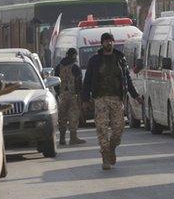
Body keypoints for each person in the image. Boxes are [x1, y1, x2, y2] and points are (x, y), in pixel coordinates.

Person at [81, 32, 139, 170]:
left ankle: (112, 147)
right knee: (102, 129)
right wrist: (84, 99)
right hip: (100, 99)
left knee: (119, 129)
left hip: (116, 99)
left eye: (111, 41)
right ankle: (105, 156)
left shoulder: (120, 59)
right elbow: (87, 80)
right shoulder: (94, 61)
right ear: (102, 44)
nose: (109, 43)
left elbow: (127, 79)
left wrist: (135, 95)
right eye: (106, 41)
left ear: (113, 42)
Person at [56, 47, 85, 145]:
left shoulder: (58, 66)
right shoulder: (75, 67)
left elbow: (55, 81)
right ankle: (73, 138)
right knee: (73, 116)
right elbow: (79, 82)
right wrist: (80, 94)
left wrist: (58, 92)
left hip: (61, 95)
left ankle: (62, 138)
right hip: (73, 95)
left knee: (62, 116)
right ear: (74, 55)